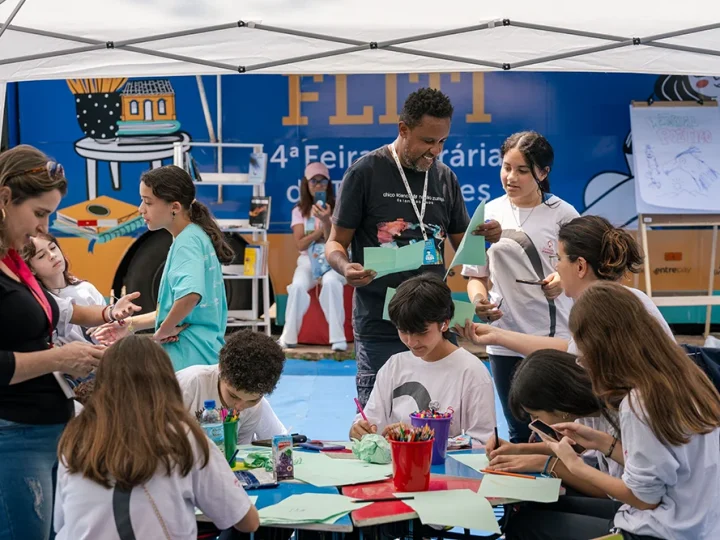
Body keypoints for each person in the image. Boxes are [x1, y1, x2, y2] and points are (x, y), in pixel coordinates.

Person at [326, 87, 501, 406]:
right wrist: (345, 267)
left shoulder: (446, 179)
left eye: (442, 142)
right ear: (403, 130)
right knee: (379, 424)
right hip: (381, 323)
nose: (435, 151)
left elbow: (465, 246)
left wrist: (487, 236)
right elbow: (336, 242)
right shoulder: (365, 173)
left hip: (434, 323)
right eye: (427, 141)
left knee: (440, 416)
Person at [0, 145, 140, 540]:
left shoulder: (12, 262)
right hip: (14, 435)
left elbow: (53, 310)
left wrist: (109, 313)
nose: (43, 229)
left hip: (41, 432)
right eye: (40, 214)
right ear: (5, 199)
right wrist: (61, 357)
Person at [514, 282, 720, 540]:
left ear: (602, 349)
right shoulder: (685, 377)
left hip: (663, 531)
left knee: (526, 526)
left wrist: (573, 466)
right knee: (540, 511)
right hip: (699, 525)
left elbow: (645, 499)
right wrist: (604, 443)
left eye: (582, 350)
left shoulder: (639, 402)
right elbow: (668, 467)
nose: (582, 360)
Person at [54, 335, 259, 539]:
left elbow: (62, 522)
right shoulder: (184, 438)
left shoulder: (74, 437)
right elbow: (247, 521)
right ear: (168, 381)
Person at [461, 131, 579, 444]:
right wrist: (479, 300)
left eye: (522, 170)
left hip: (553, 341)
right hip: (503, 340)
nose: (510, 177)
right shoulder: (487, 214)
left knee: (557, 434)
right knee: (518, 431)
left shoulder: (565, 215)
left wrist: (560, 279)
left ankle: (561, 492)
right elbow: (475, 275)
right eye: (506, 167)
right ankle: (524, 494)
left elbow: (583, 270)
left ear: (543, 173)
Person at [458, 215, 675, 356]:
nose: (557, 268)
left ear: (580, 266)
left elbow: (571, 356)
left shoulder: (597, 311)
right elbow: (571, 350)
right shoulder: (633, 297)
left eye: (559, 259)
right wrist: (496, 336)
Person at [91, 165, 234, 371]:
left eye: (148, 202)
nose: (141, 209)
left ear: (174, 206)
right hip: (202, 355)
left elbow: (189, 296)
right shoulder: (194, 236)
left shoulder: (187, 242)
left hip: (191, 358)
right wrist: (129, 326)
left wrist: (162, 333)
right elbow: (172, 311)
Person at [349, 273, 495, 444]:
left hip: (448, 469)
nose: (411, 341)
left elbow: (483, 440)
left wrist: (420, 438)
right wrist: (358, 429)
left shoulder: (471, 372)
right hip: (398, 466)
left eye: (421, 332)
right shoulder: (394, 366)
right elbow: (372, 420)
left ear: (444, 323)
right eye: (403, 331)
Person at [485, 349, 622, 499]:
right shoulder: (586, 410)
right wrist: (517, 449)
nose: (533, 423)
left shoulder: (617, 421)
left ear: (559, 405)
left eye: (535, 415)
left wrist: (548, 464)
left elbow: (615, 493)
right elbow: (575, 448)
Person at [278, 162, 347, 352]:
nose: (318, 185)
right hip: (308, 260)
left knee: (332, 283)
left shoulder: (338, 208)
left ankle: (337, 338)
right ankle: (288, 336)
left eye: (322, 181)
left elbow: (336, 239)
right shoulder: (299, 211)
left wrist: (326, 221)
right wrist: (319, 231)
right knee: (298, 286)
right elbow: (300, 244)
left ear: (328, 183)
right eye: (313, 181)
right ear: (306, 184)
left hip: (332, 258)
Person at [177, 329, 287, 444]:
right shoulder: (188, 385)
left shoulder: (254, 408)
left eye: (252, 400)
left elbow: (240, 451)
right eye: (233, 396)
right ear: (221, 370)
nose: (239, 407)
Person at [24, 232, 106, 345]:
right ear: (31, 269)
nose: (52, 255)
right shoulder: (40, 302)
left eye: (53, 248)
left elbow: (110, 324)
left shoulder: (86, 289)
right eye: (41, 256)